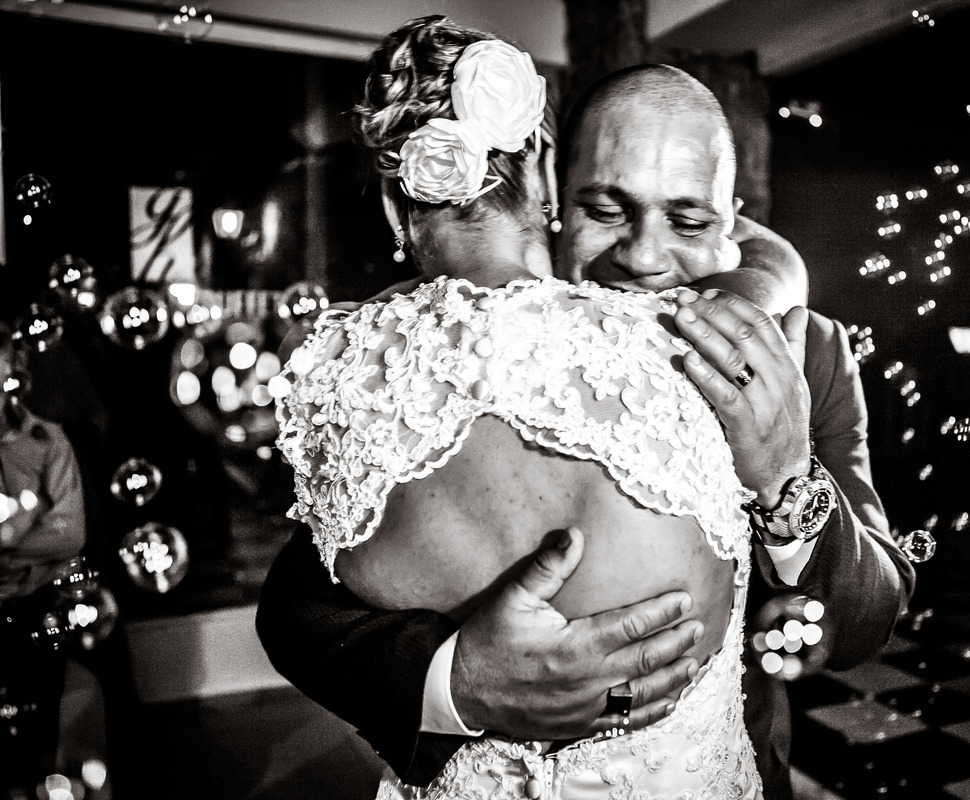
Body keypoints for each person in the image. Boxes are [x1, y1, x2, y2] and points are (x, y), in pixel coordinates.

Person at [257, 18, 914, 798]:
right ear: (550, 197)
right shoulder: (431, 366)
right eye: (607, 209)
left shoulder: (807, 354)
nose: (642, 256)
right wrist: (457, 681)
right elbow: (298, 608)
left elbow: (872, 615)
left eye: (689, 220)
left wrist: (787, 485)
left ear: (732, 223)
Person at [0, 321, 89, 797]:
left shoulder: (48, 439)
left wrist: (6, 536)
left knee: (40, 732)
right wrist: (27, 526)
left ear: (13, 369)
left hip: (35, 605)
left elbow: (71, 533)